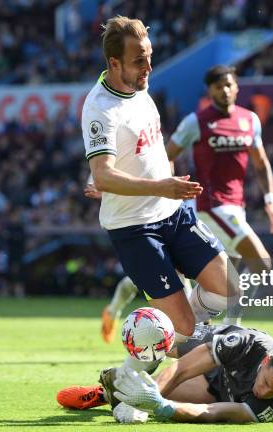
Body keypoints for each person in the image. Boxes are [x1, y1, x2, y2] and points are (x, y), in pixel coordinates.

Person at [83, 16, 241, 372]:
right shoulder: (99, 109)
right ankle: (137, 364)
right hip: (135, 228)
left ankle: (170, 330)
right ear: (114, 63)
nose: (149, 67)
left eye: (149, 56)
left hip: (172, 212)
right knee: (185, 338)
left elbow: (134, 157)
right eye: (140, 60)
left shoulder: (140, 88)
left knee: (230, 288)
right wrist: (152, 185)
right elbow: (104, 173)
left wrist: (158, 187)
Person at [100, 65, 273, 342]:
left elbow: (261, 162)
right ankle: (230, 332)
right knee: (261, 263)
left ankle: (120, 311)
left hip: (236, 206)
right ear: (209, 90)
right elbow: (166, 154)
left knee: (175, 278)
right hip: (209, 206)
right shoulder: (196, 122)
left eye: (229, 85)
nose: (225, 90)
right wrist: (162, 192)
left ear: (237, 87)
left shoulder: (250, 120)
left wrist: (270, 199)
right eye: (218, 86)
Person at [58, 325, 273, 424]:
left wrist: (161, 406)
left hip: (220, 392)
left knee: (170, 398)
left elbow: (215, 413)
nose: (263, 393)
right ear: (266, 361)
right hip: (215, 349)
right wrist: (141, 405)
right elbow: (181, 368)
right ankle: (124, 382)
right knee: (162, 342)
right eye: (266, 382)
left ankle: (106, 395)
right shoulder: (250, 344)